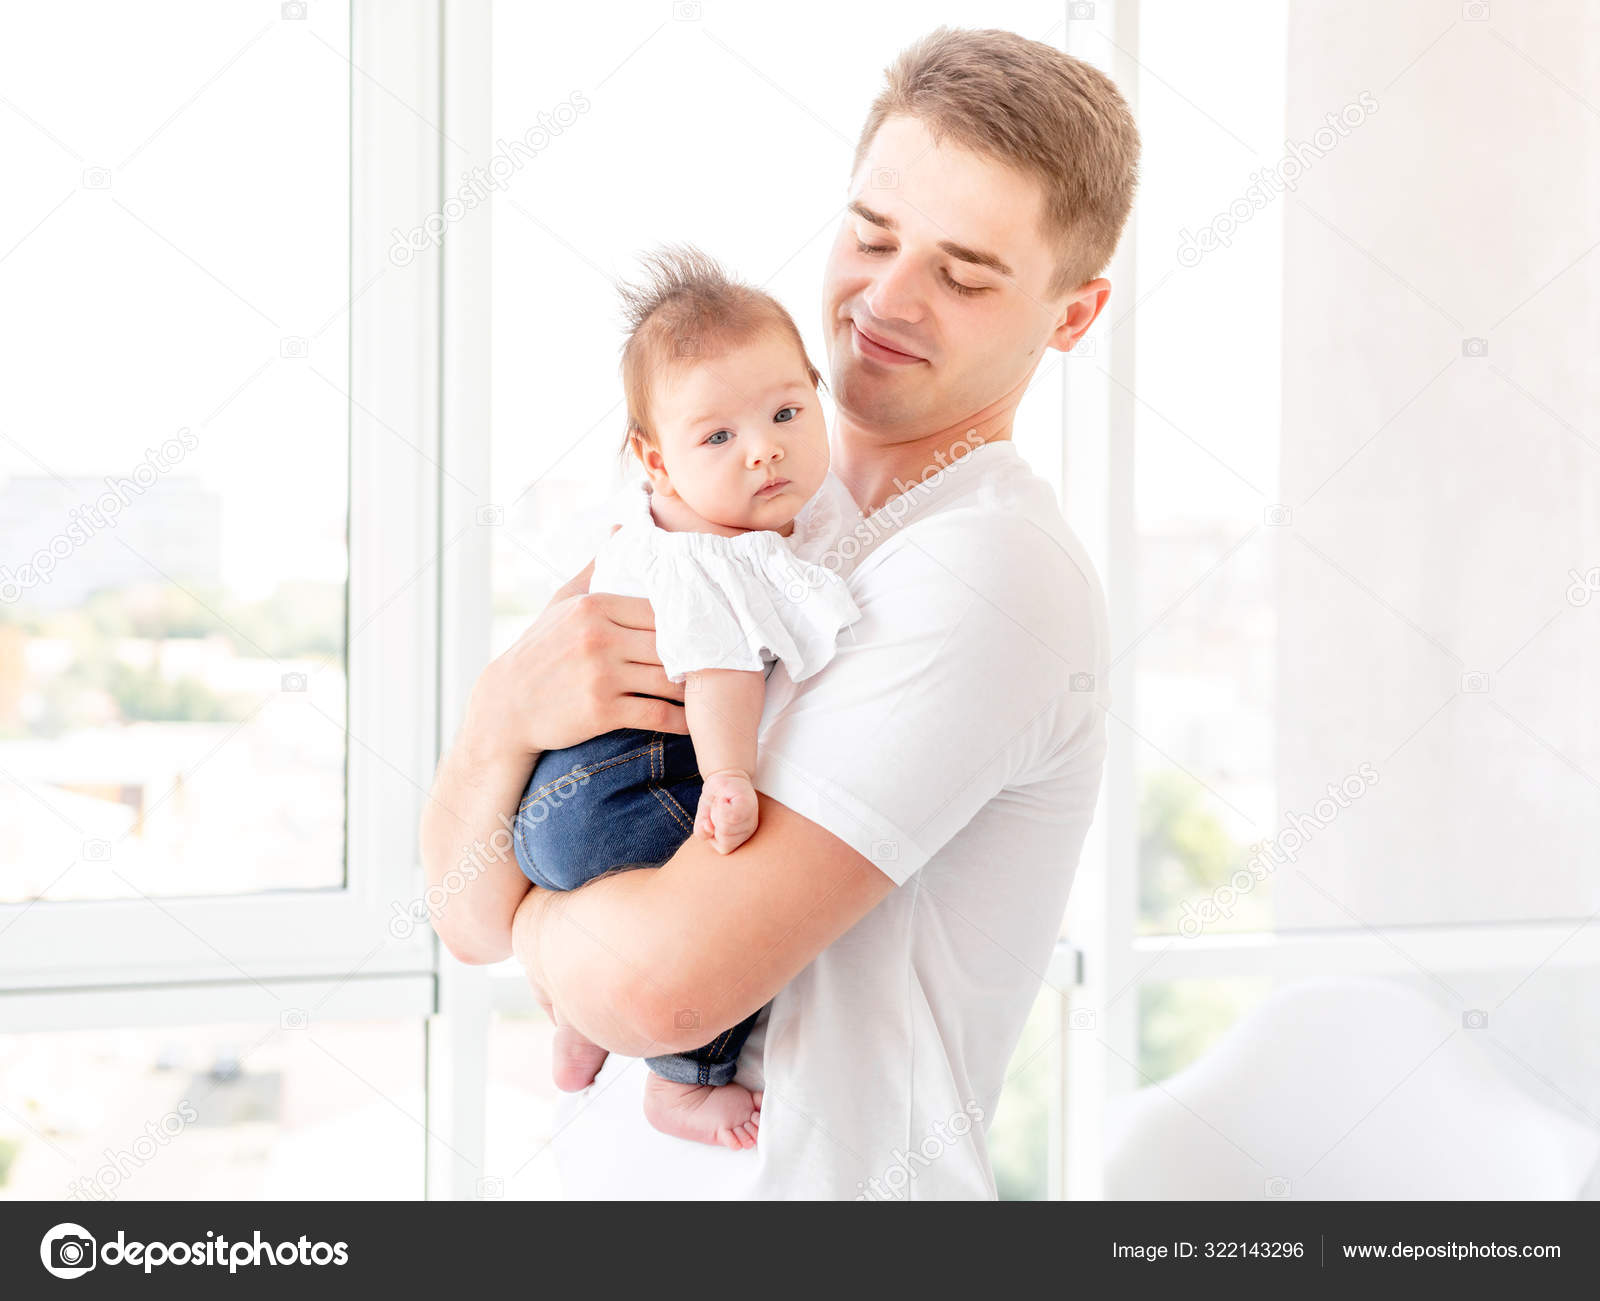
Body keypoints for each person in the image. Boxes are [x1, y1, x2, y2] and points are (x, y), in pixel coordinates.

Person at [420, 26, 1141, 1199]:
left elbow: (658, 988)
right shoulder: (715, 513)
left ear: (1072, 314)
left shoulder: (987, 572)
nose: (887, 300)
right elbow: (458, 917)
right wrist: (496, 722)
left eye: (963, 274)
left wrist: (539, 938)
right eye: (870, 235)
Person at [511, 245, 859, 1150]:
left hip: (551, 805)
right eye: (718, 438)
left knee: (634, 908)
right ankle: (684, 1080)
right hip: (623, 791)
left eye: (786, 411)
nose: (764, 448)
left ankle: (579, 1019)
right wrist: (733, 774)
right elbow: (718, 669)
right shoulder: (715, 558)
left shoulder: (647, 533)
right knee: (731, 920)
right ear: (653, 458)